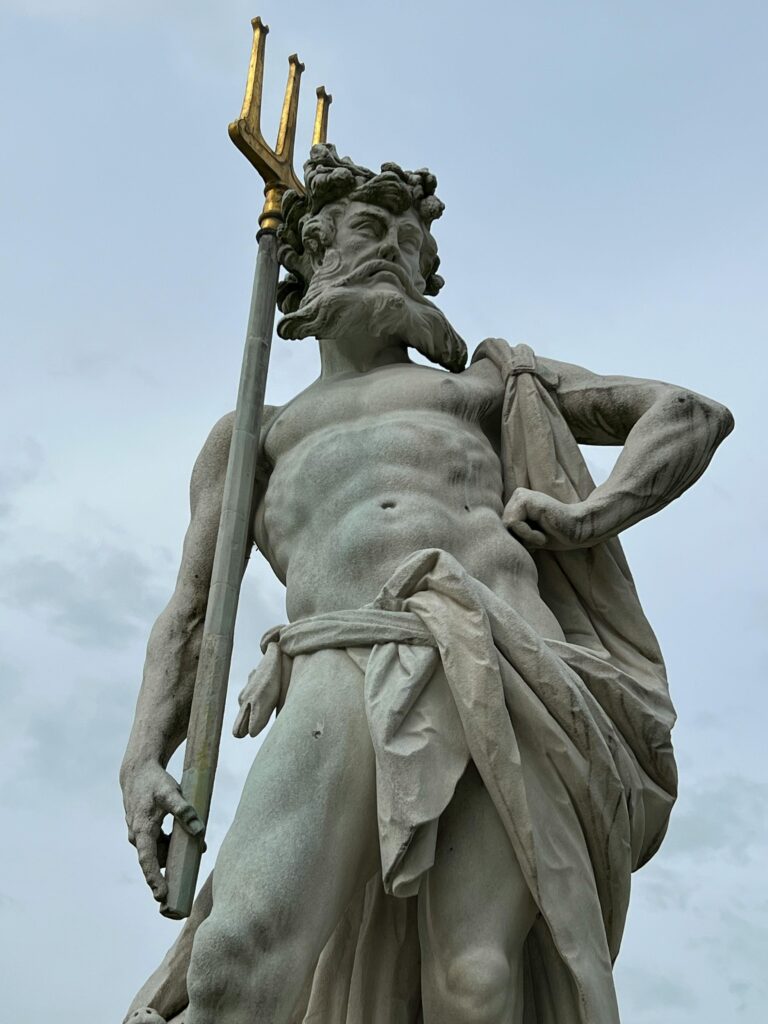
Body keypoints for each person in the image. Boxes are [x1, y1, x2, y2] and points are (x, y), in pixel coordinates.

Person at [120, 145, 733, 1024]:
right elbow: (190, 616)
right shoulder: (254, 436)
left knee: (476, 986)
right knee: (236, 959)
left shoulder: (486, 386)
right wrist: (142, 759)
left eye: (413, 243)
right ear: (311, 253)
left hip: (491, 666)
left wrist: (592, 515)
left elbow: (688, 414)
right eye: (373, 230)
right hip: (332, 665)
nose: (398, 255)